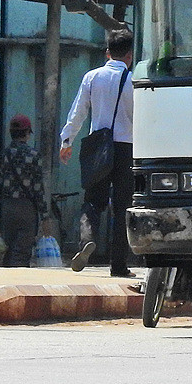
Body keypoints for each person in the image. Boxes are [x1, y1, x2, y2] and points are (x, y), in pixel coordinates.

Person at [60, 29, 135, 277]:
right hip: (126, 147)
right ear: (130, 55)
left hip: (98, 146)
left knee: (92, 200)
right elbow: (139, 118)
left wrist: (67, 140)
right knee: (122, 206)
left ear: (107, 53)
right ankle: (119, 265)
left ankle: (87, 239)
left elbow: (79, 110)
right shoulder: (134, 81)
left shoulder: (92, 77)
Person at [0, 114, 45, 267]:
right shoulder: (34, 156)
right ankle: (18, 279)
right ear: (27, 133)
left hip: (7, 208)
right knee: (22, 252)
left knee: (7, 250)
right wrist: (45, 216)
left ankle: (8, 280)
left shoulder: (3, 155)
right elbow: (38, 188)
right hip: (27, 209)